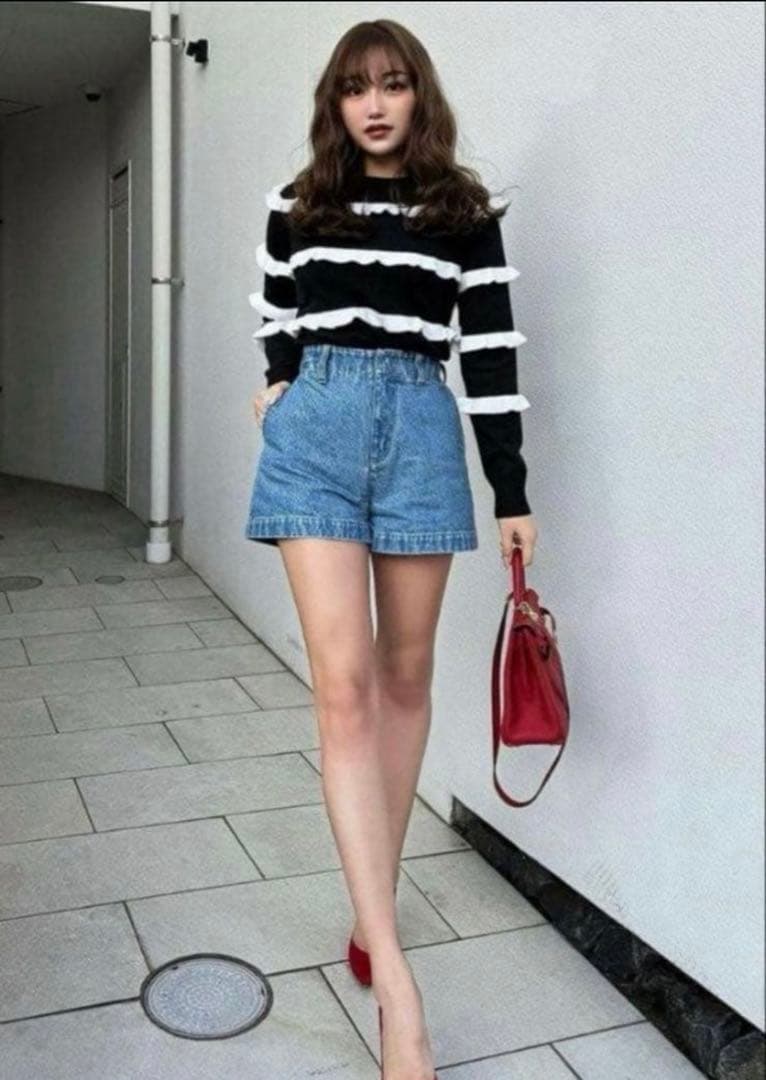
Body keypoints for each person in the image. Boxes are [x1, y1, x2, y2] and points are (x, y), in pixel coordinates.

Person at [244, 19, 538, 1080]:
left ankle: (372, 914)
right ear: (336, 101)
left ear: (420, 97)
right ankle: (398, 989)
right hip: (315, 443)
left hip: (421, 430)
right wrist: (282, 385)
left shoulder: (463, 212)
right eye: (356, 87)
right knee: (344, 689)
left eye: (395, 84)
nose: (375, 104)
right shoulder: (297, 204)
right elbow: (276, 313)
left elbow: (490, 350)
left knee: (407, 677)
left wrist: (511, 489)